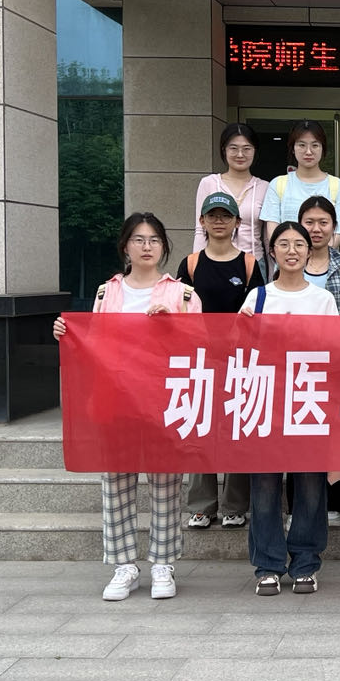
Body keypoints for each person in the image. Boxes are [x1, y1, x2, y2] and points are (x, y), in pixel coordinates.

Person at [52, 213, 199, 602]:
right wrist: (68, 334)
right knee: (116, 482)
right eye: (138, 239)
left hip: (163, 401)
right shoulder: (106, 293)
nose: (146, 246)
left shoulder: (183, 295)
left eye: (154, 240)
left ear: (164, 247)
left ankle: (163, 563)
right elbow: (93, 343)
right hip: (115, 398)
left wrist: (174, 325)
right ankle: (124, 565)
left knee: (166, 483)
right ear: (125, 246)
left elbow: (200, 347)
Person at [243, 220, 337, 596]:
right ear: (272, 252)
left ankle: (305, 563)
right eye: (283, 244)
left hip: (309, 401)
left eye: (299, 244)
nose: (292, 250)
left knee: (310, 485)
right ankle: (267, 565)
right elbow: (240, 352)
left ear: (310, 251)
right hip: (267, 401)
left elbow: (334, 351)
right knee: (265, 485)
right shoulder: (257, 298)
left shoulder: (322, 299)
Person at [174, 192, 263, 532]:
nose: (219, 221)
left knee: (236, 430)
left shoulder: (249, 264)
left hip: (239, 361)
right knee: (201, 429)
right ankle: (201, 505)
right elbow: (180, 310)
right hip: (200, 361)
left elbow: (258, 313)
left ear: (238, 222)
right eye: (212, 215)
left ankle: (235, 505)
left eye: (226, 215)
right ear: (202, 221)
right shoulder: (191, 264)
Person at [294, 195, 340, 527]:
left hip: (336, 364)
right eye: (309, 222)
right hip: (297, 365)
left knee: (333, 433)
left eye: (323, 222)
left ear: (334, 227)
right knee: (299, 434)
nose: (316, 228)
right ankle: (297, 508)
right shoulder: (290, 261)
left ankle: (332, 503)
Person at [260, 119, 340, 245]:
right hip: (288, 256)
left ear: (323, 148)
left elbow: (339, 233)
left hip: (325, 257)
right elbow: (273, 233)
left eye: (315, 145)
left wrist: (319, 255)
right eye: (302, 145)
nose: (308, 151)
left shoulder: (338, 186)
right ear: (293, 148)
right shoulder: (277, 184)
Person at [192, 121, 269, 260]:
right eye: (233, 148)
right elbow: (200, 230)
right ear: (224, 150)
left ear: (255, 150)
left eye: (247, 149)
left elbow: (267, 237)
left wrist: (272, 271)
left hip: (253, 262)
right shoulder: (209, 183)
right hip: (215, 262)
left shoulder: (264, 187)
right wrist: (196, 264)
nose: (240, 154)